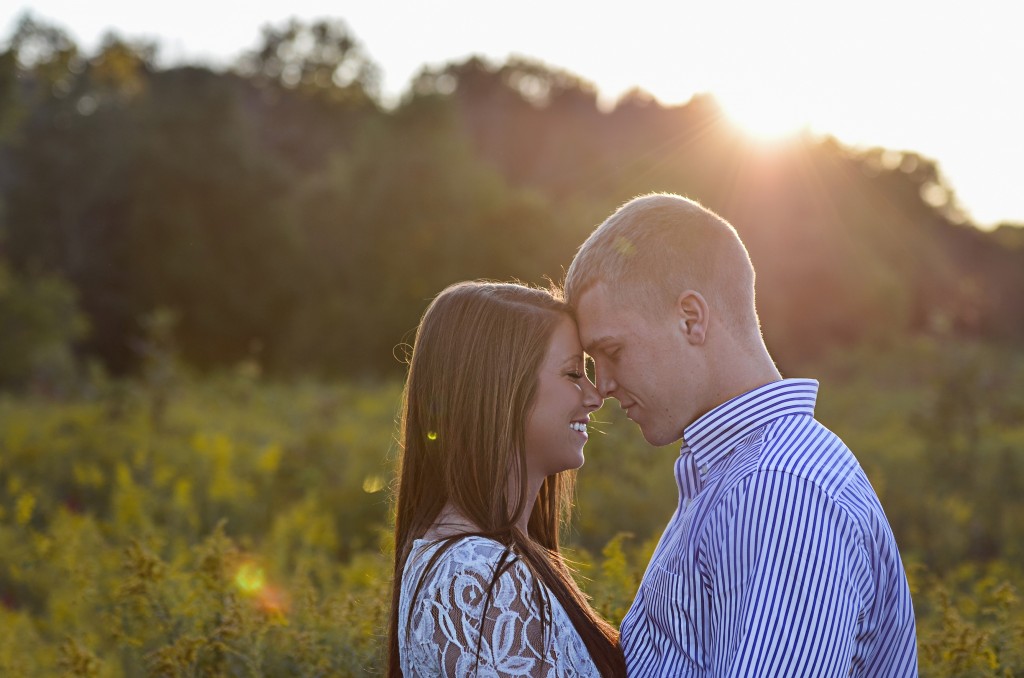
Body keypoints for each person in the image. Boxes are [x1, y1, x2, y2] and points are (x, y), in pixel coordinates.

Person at [564, 194, 918, 676]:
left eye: (612, 351)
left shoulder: (781, 489)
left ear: (691, 318)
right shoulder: (742, 474)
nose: (601, 384)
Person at [387, 281, 627, 677]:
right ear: (502, 388)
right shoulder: (477, 577)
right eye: (573, 373)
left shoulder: (476, 561)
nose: (595, 395)